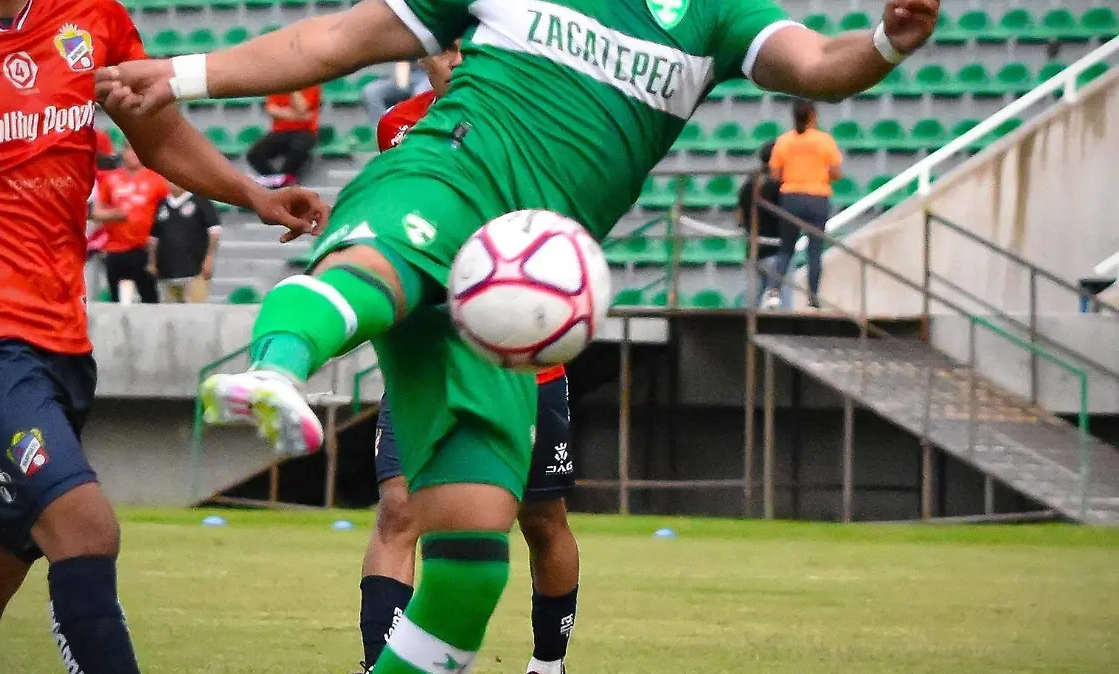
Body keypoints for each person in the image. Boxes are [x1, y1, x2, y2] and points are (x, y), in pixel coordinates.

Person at [99, 1, 938, 671]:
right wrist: (179, 74)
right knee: (375, 275)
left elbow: (824, 66)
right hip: (444, 171)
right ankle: (275, 370)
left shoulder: (718, 15)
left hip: (506, 302)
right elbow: (337, 39)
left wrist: (887, 40)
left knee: (471, 561)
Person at [0, 0, 325, 671]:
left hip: (61, 341)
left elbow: (156, 134)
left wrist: (251, 193)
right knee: (85, 528)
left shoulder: (93, 16)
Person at [356, 44, 580, 674]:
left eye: (470, 46)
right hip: (431, 356)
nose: (456, 58)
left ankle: (547, 664)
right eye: (445, 46)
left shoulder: (543, 121)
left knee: (540, 519)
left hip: (521, 356)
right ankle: (382, 663)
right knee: (401, 510)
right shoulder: (399, 126)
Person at [765, 99, 844, 310]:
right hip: (817, 197)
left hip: (791, 196)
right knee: (815, 250)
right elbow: (836, 171)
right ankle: (812, 297)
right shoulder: (824, 140)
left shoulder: (784, 141)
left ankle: (774, 292)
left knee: (786, 249)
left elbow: (775, 173)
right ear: (812, 116)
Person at [94, 141, 171, 304]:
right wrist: (113, 215)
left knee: (149, 298)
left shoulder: (156, 180)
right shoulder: (110, 179)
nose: (133, 154)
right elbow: (96, 212)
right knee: (119, 300)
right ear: (123, 151)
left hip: (143, 249)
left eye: (137, 149)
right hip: (115, 248)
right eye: (129, 149)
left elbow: (169, 210)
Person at [148, 182, 223, 303]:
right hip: (167, 271)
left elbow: (214, 232)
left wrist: (209, 259)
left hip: (195, 270)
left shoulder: (201, 201)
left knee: (196, 311)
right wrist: (152, 262)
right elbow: (154, 237)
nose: (174, 184)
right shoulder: (162, 204)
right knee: (171, 314)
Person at [736, 141, 783, 307]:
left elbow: (739, 218)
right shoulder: (779, 186)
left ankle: (742, 330)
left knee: (750, 302)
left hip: (753, 249)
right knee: (781, 302)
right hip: (776, 251)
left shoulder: (748, 185)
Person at [248, 85, 323, 187]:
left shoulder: (311, 84)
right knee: (254, 154)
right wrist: (298, 117)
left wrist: (292, 90)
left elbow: (302, 108)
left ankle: (284, 180)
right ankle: (278, 180)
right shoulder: (278, 85)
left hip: (306, 131)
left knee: (298, 147)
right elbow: (272, 110)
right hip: (280, 131)